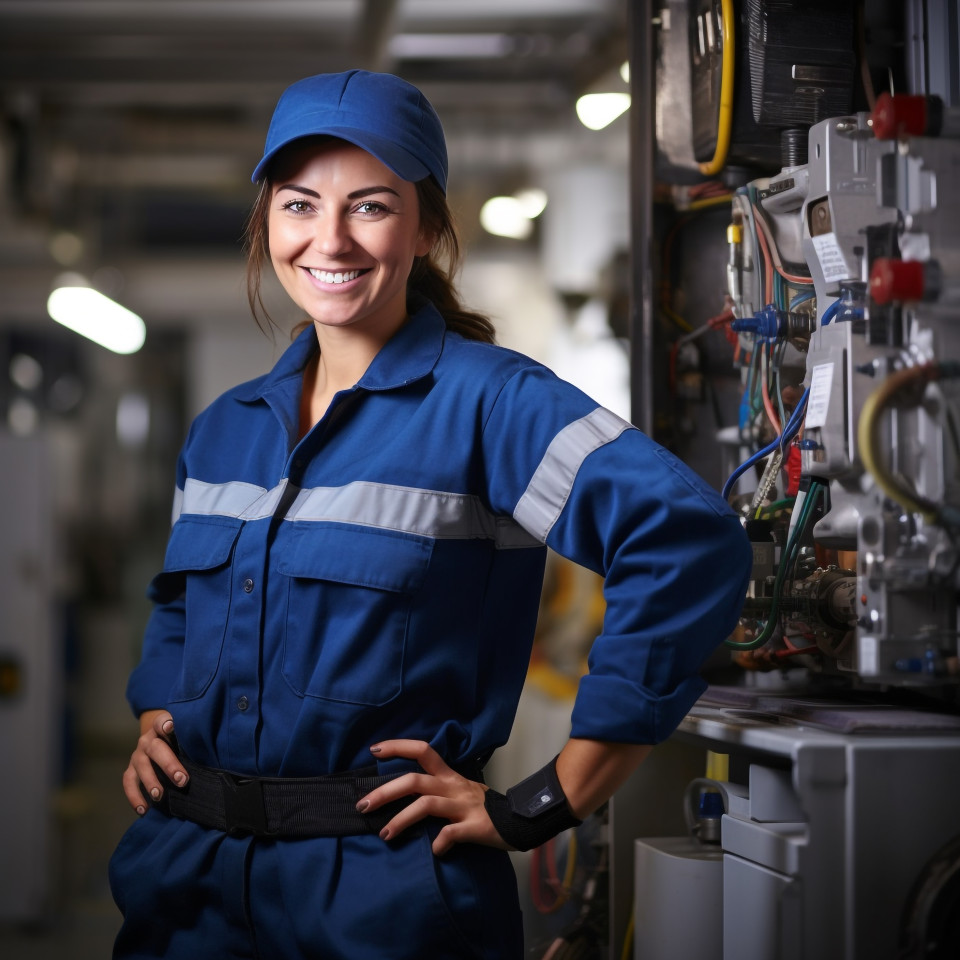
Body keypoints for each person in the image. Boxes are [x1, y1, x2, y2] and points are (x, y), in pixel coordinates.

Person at [109, 69, 752, 960]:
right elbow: (180, 607)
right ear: (266, 221)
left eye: (370, 206)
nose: (328, 238)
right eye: (299, 205)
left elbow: (688, 543)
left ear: (429, 227)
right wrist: (156, 715)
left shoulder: (491, 405)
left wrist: (548, 796)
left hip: (382, 897)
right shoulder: (223, 430)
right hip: (186, 887)